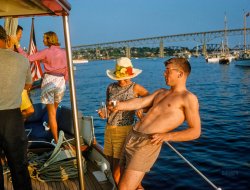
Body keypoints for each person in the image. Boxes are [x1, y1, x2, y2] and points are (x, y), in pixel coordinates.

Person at [108, 57, 201, 190]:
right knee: (119, 177)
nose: (164, 73)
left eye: (168, 71)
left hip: (147, 143)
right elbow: (140, 102)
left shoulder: (188, 98)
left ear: (180, 74)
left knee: (124, 187)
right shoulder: (161, 92)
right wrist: (119, 105)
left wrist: (167, 136)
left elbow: (195, 131)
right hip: (132, 135)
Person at [98, 57, 149, 187]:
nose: (124, 80)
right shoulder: (110, 87)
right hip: (110, 130)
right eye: (122, 77)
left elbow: (150, 101)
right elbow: (108, 110)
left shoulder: (135, 88)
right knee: (111, 166)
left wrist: (142, 108)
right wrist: (104, 113)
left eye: (127, 76)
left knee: (118, 172)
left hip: (125, 131)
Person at [13, 31, 68, 144]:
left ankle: (57, 141)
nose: (43, 40)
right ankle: (49, 125)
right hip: (61, 82)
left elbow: (28, 58)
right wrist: (64, 81)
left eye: (44, 38)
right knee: (55, 108)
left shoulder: (46, 52)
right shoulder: (64, 52)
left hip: (49, 81)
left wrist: (18, 45)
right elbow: (68, 70)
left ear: (49, 39)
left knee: (51, 114)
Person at [0, 25, 32, 190]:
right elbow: (27, 86)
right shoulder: (22, 60)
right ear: (5, 39)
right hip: (13, 117)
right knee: (19, 167)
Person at [13, 25, 35, 120]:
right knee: (30, 110)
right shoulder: (13, 48)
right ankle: (17, 122)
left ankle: (17, 123)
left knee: (25, 110)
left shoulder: (16, 49)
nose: (21, 36)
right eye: (19, 34)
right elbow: (26, 58)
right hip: (18, 86)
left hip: (22, 85)